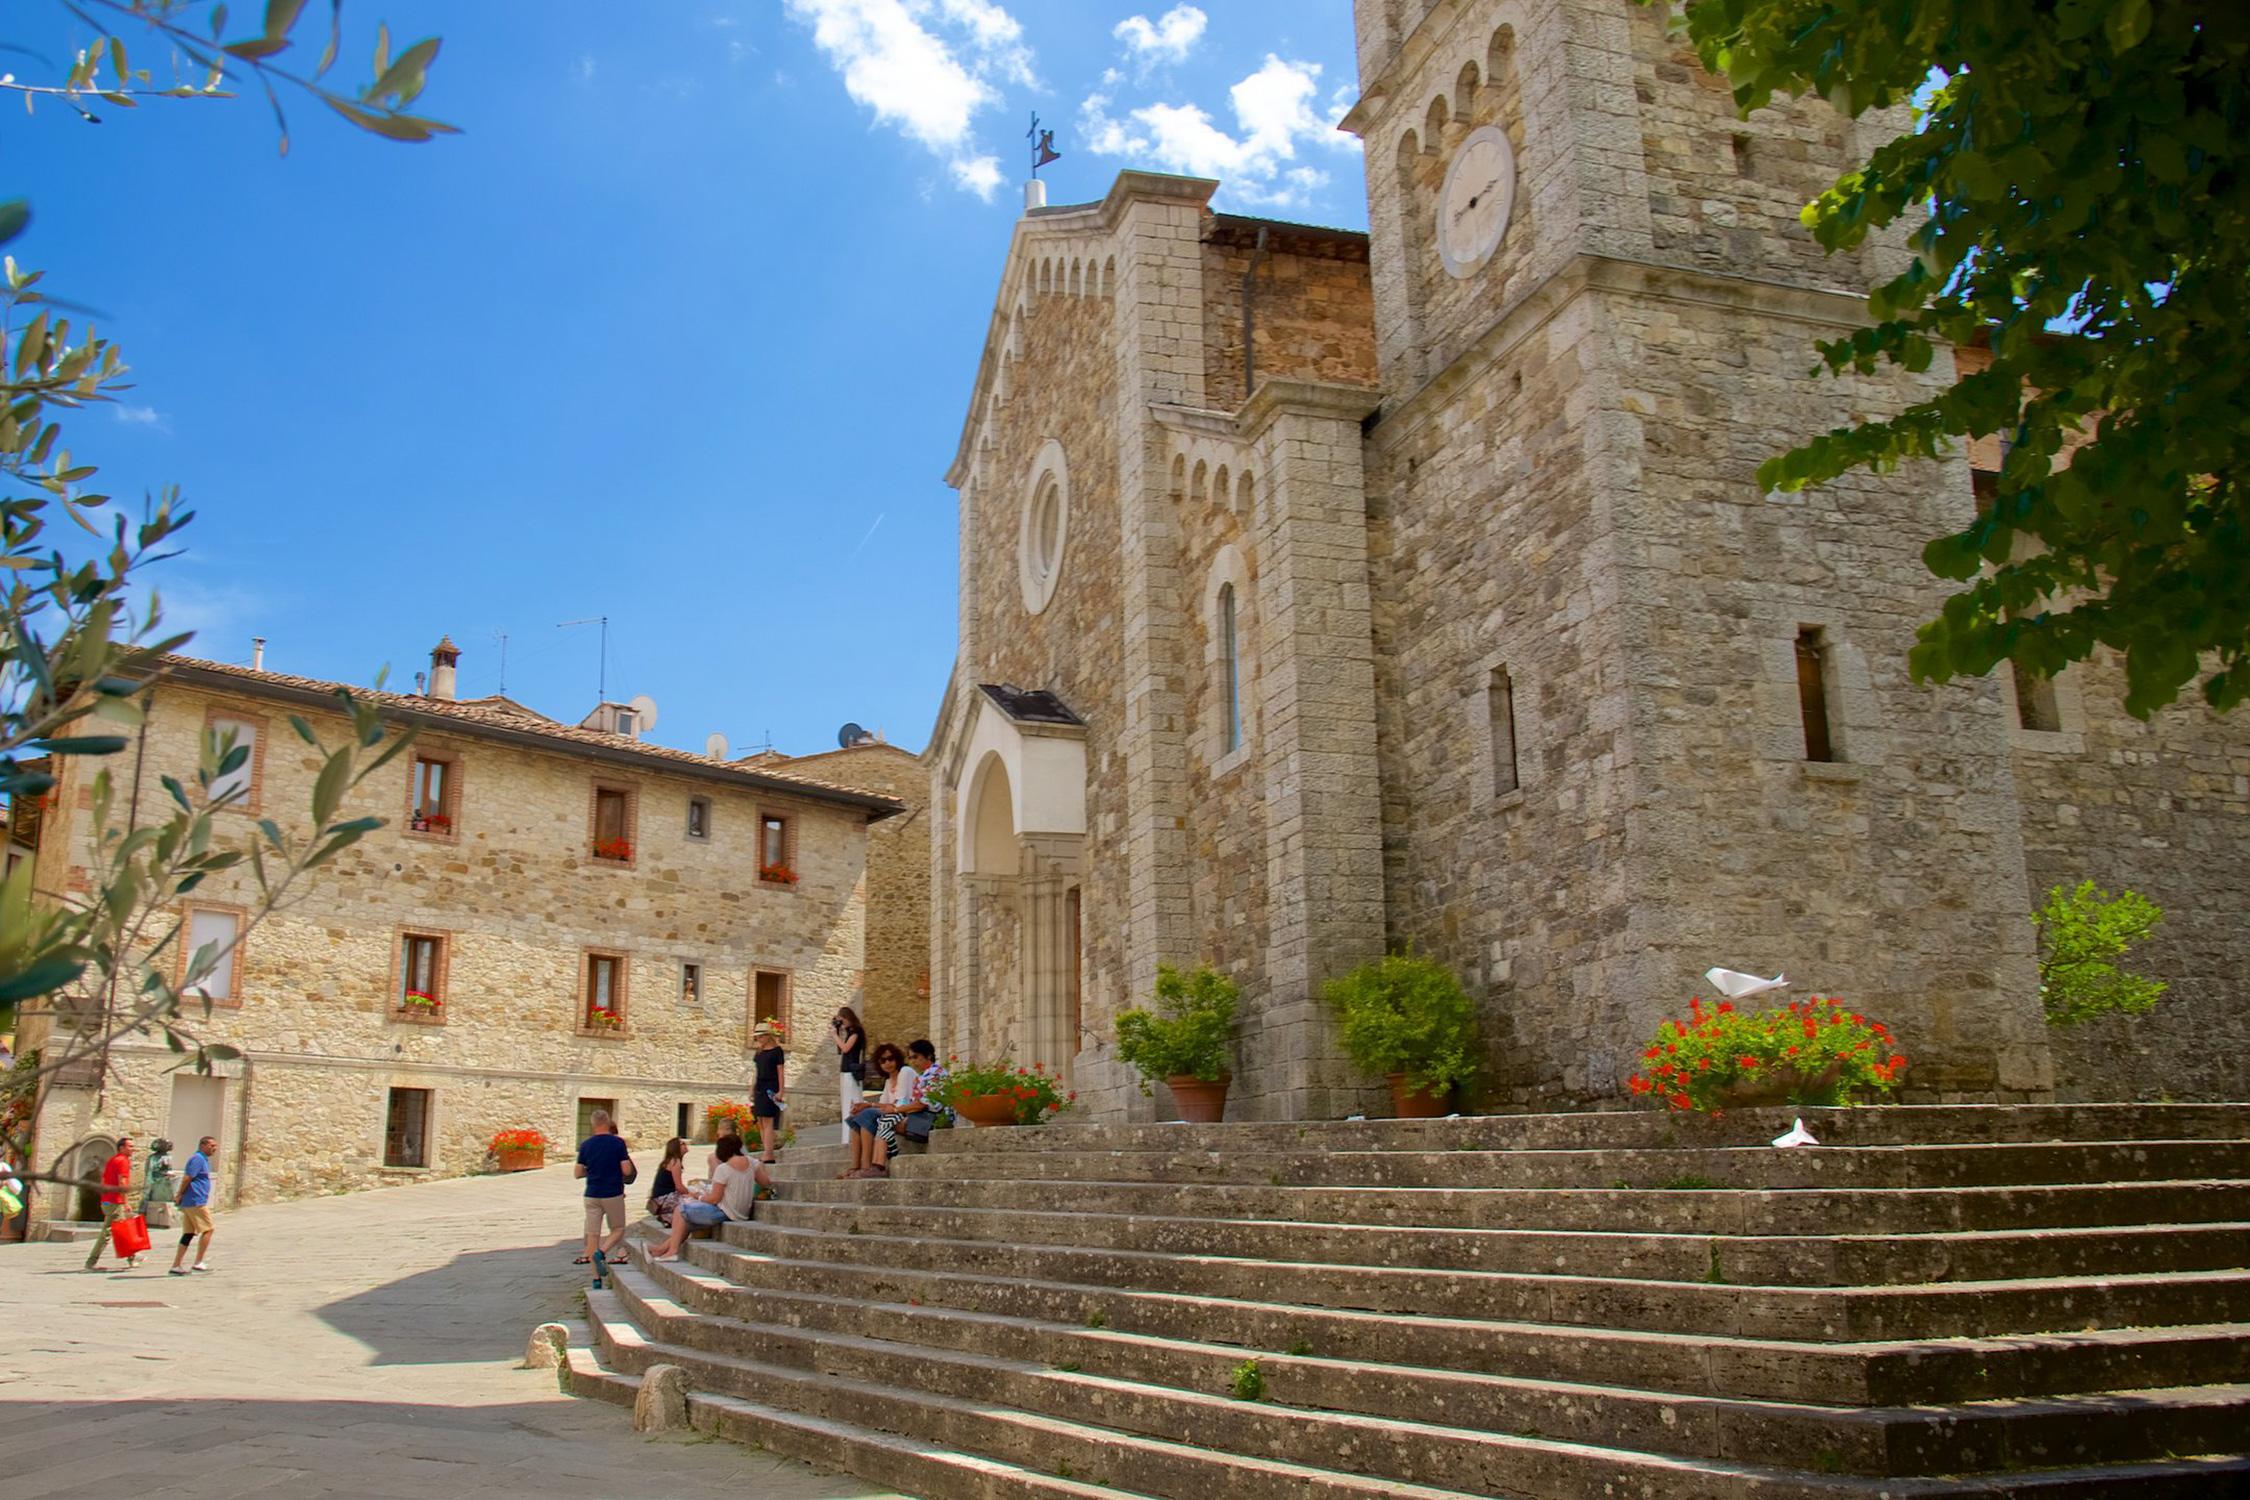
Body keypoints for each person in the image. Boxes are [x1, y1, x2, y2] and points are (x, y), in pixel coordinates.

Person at [648, 1133, 766, 1261]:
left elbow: (714, 1199)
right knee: (685, 1222)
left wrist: (698, 1196)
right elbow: (765, 1182)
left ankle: (672, 1252)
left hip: (726, 1212)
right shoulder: (753, 1163)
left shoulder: (723, 1169)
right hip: (743, 1212)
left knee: (680, 1210)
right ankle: (660, 1250)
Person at [859, 1039, 949, 1179]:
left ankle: (880, 1165)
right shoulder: (923, 1076)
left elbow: (922, 1104)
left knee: (886, 1120)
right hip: (922, 1117)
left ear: (929, 1056)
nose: (913, 1061)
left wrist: (896, 1111)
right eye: (910, 1057)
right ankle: (879, 1163)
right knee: (885, 1120)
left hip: (934, 1119)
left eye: (916, 1057)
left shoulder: (934, 1073)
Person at [574, 1109, 636, 1271]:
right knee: (618, 1228)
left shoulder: (585, 1145)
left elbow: (577, 1173)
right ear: (608, 1122)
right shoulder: (617, 1143)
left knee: (593, 1234)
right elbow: (627, 1170)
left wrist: (593, 1169)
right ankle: (601, 1252)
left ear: (593, 1124)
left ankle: (595, 1278)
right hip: (612, 1192)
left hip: (591, 1193)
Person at [843, 1044, 918, 1179]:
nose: (887, 1063)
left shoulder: (905, 1072)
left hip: (907, 1113)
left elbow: (900, 1103)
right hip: (894, 1112)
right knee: (855, 1117)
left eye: (890, 1059)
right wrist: (864, 1105)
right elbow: (883, 1104)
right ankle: (855, 1166)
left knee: (867, 1115)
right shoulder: (889, 1081)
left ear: (897, 1058)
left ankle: (866, 1166)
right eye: (883, 1061)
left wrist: (869, 1105)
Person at [84, 1135, 141, 1271]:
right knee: (108, 1233)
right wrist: (125, 1202)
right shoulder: (123, 1161)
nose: (133, 1149)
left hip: (108, 1201)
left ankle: (132, 1257)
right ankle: (91, 1262)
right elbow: (122, 1183)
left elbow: (103, 1181)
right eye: (130, 1146)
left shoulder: (113, 1160)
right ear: (122, 1148)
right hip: (115, 1202)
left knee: (122, 1230)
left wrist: (105, 1198)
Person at [168, 1136, 218, 1275]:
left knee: (188, 1234)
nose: (214, 1148)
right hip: (195, 1201)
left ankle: (176, 1265)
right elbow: (187, 1177)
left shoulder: (203, 1160)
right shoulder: (198, 1159)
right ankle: (198, 1262)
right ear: (203, 1145)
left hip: (192, 1201)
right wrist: (179, 1194)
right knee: (208, 1229)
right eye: (212, 1145)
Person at [750, 1022, 787, 1163]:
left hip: (771, 1086)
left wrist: (781, 1091)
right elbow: (756, 1072)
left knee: (768, 1120)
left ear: (767, 1036)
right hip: (759, 1086)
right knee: (760, 1120)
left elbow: (780, 1072)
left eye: (761, 1036)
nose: (759, 1039)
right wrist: (751, 1088)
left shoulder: (777, 1051)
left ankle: (769, 1153)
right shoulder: (759, 1052)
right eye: (757, 1037)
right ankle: (765, 1149)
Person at [831, 1007, 865, 1145]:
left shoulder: (856, 1032)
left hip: (852, 1073)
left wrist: (834, 1035)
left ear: (847, 1017)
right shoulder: (850, 1032)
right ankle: (847, 1138)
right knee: (846, 1105)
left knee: (852, 1104)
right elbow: (841, 1050)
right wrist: (838, 1031)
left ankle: (852, 1137)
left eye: (842, 1020)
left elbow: (846, 1048)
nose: (842, 1023)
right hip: (846, 1072)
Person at [646, 1136, 688, 1223]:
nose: (686, 1145)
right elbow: (679, 1187)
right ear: (676, 1148)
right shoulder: (675, 1162)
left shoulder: (669, 1161)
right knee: (693, 1202)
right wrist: (692, 1194)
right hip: (663, 1199)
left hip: (659, 1197)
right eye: (682, 1144)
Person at [142, 1137, 176, 1231]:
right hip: (155, 1182)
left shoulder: (168, 1157)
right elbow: (150, 1171)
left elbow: (168, 1169)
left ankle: (164, 1218)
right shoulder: (152, 1158)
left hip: (165, 1182)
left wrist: (167, 1173)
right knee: (150, 1198)